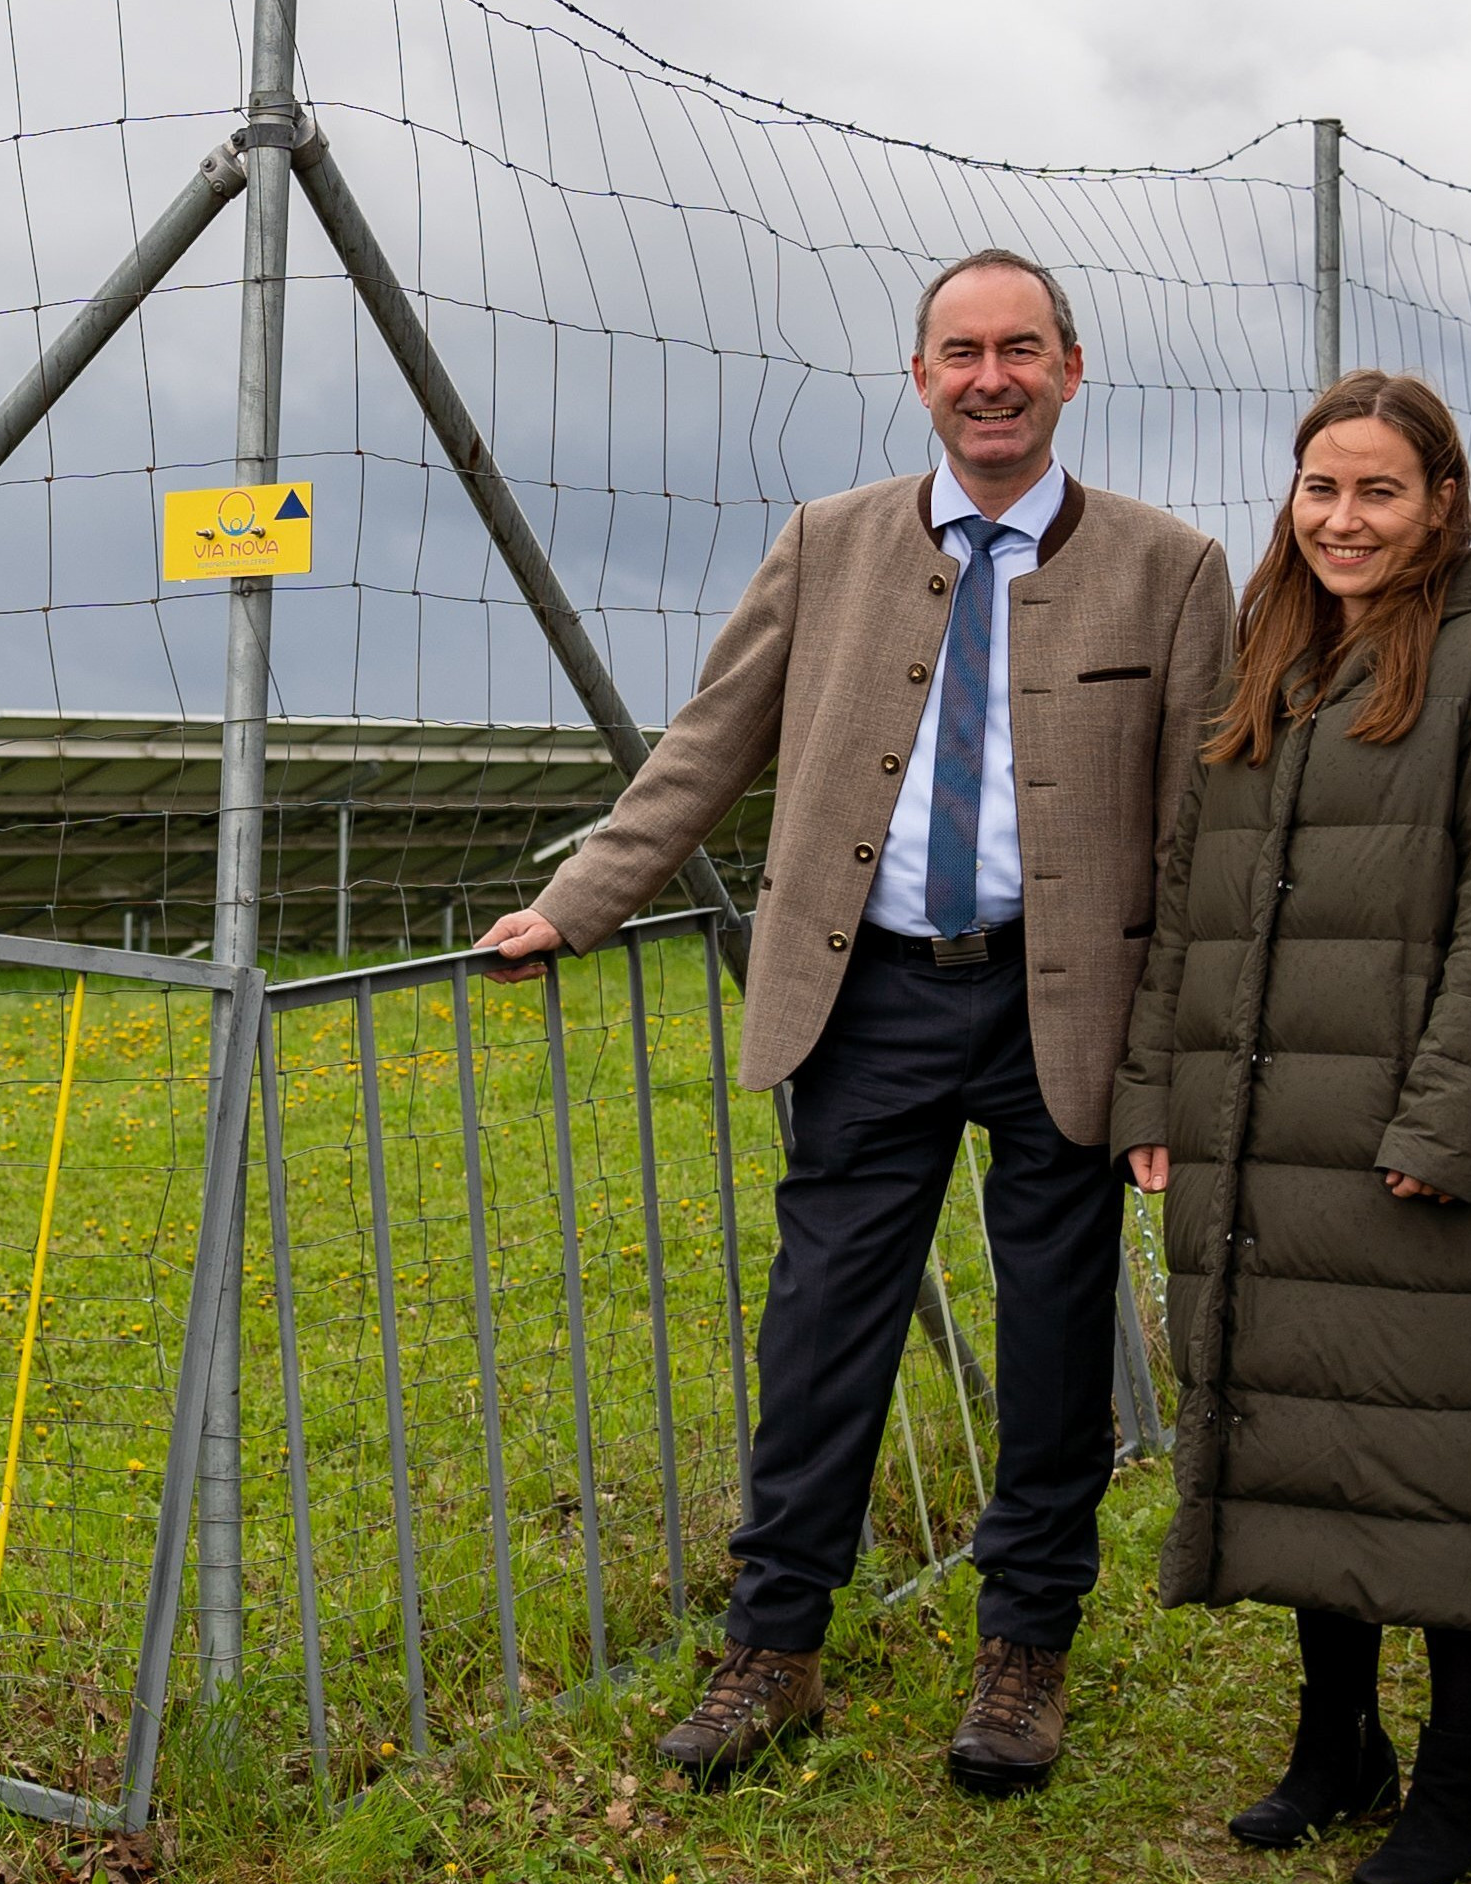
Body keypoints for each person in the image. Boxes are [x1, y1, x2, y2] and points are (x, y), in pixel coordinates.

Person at [479, 249, 1235, 1798]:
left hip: (1062, 1007)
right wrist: (578, 900)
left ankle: (1024, 1653)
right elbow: (706, 745)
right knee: (821, 1331)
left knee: (1048, 1344)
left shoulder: (1170, 568)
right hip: (864, 993)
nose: (990, 377)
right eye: (959, 351)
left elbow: (1193, 841)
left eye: (1020, 349)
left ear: (1070, 372)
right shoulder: (825, 545)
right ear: (920, 378)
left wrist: (1162, 1063)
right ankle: (774, 1646)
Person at [1111, 370, 1471, 1884]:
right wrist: (1154, 1089)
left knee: (1437, 1450)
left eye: (1378, 490)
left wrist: (1449, 1116)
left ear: (1442, 501)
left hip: (1414, 1128)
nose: (1343, 518)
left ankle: (1456, 1779)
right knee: (1305, 1435)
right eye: (1320, 487)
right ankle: (1334, 1744)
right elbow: (1187, 897)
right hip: (1258, 1126)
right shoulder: (1275, 655)